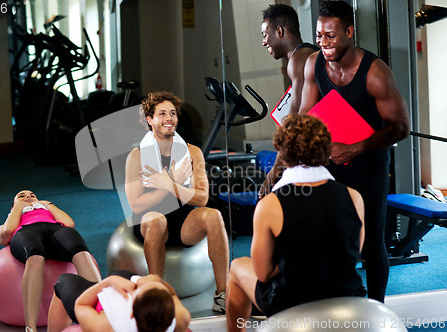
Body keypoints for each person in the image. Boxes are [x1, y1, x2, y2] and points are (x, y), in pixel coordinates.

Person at [298, 0, 410, 302]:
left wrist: (355, 149)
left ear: (349, 32)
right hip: (329, 160)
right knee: (327, 236)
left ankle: (377, 307)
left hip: (369, 163)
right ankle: (334, 303)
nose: (323, 43)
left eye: (331, 36)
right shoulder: (314, 64)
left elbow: (400, 127)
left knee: (372, 242)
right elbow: (305, 114)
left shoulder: (375, 73)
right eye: (319, 35)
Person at [226, 114, 367, 331]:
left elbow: (263, 273)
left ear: (283, 153)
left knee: (236, 267)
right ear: (326, 149)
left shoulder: (270, 204)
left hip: (294, 302)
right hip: (349, 296)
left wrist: (293, 261)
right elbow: (352, 253)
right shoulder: (354, 196)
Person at [124, 91, 229, 313]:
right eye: (161, 114)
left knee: (214, 215)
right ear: (150, 120)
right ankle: (156, 294)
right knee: (156, 220)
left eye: (172, 113)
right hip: (149, 218)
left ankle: (223, 293)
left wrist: (170, 185)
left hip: (183, 219)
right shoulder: (136, 156)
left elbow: (202, 197)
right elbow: (136, 205)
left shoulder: (192, 152)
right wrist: (171, 182)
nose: (169, 118)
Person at [0, 190, 101, 332]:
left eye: (32, 195)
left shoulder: (46, 209)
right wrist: (18, 207)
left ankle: (103, 311)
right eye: (21, 196)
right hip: (27, 232)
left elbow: (69, 223)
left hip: (56, 230)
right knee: (35, 257)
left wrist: (48, 205)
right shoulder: (11, 218)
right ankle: (30, 327)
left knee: (81, 251)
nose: (28, 197)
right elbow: (6, 233)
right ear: (12, 206)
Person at [259, 3, 319, 198]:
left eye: (265, 35)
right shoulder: (305, 54)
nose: (263, 42)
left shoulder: (299, 59)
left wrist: (274, 171)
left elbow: (295, 122)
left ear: (279, 31)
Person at [47, 271, 191, 332]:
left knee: (63, 281)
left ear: (131, 313)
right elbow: (172, 294)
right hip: (122, 292)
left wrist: (108, 282)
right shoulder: (181, 318)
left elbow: (81, 304)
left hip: (97, 303)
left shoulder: (104, 326)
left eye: (135, 289)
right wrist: (156, 279)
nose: (138, 283)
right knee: (120, 273)